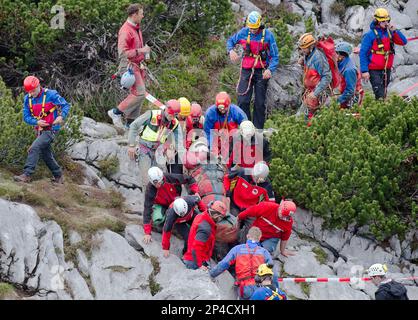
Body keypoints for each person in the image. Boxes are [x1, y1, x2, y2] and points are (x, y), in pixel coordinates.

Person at [14, 76, 71, 184]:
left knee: (34, 148)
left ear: (38, 85)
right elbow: (26, 117)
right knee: (46, 154)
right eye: (29, 91)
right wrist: (36, 122)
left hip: (52, 129)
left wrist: (61, 116)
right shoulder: (27, 99)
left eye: (33, 90)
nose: (32, 93)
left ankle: (27, 175)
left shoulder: (51, 94)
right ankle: (59, 176)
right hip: (40, 130)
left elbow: (65, 105)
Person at [227, 11, 279, 129]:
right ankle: (245, 126)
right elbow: (230, 41)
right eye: (251, 28)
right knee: (242, 100)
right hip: (247, 70)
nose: (253, 30)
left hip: (261, 71)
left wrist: (270, 70)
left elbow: (275, 56)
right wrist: (231, 50)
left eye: (255, 28)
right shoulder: (244, 32)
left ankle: (258, 130)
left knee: (259, 103)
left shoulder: (268, 36)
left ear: (260, 24)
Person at [108, 3, 151, 129]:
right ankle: (115, 112)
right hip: (128, 66)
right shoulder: (126, 30)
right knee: (140, 93)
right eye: (141, 13)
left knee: (139, 95)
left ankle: (130, 124)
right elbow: (122, 53)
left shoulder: (136, 28)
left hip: (137, 65)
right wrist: (141, 51)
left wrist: (143, 55)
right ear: (134, 14)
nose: (143, 16)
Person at [127, 99, 181, 190]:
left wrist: (171, 148)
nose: (172, 117)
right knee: (147, 180)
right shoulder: (152, 115)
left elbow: (176, 138)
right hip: (144, 150)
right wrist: (131, 145)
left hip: (158, 152)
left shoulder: (174, 123)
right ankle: (147, 202)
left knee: (160, 179)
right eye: (171, 115)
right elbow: (134, 125)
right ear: (166, 110)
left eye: (175, 115)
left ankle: (158, 201)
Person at [209, 227, 273, 299]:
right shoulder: (264, 252)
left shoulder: (237, 249)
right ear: (259, 237)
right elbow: (271, 271)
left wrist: (211, 274)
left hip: (244, 287)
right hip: (259, 287)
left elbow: (224, 264)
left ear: (247, 236)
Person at [359, 8, 407, 100]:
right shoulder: (369, 35)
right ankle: (379, 110)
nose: (386, 23)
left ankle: (380, 109)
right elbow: (363, 53)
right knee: (379, 92)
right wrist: (364, 71)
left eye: (387, 20)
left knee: (384, 91)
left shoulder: (390, 32)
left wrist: (395, 31)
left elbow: (403, 42)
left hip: (386, 68)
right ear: (377, 21)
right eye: (383, 21)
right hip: (374, 69)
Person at [142, 167, 199, 244]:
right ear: (152, 182)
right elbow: (147, 210)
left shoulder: (170, 178)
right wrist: (147, 233)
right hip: (163, 206)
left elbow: (189, 179)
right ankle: (167, 222)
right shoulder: (150, 191)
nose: (159, 184)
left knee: (192, 216)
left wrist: (195, 192)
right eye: (156, 183)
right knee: (157, 218)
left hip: (177, 201)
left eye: (161, 182)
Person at [182, 200, 227, 270]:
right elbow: (196, 248)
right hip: (194, 262)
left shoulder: (201, 216)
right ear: (216, 215)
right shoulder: (205, 229)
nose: (220, 219)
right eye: (221, 217)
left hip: (191, 256)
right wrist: (200, 265)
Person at [297, 33, 332, 119]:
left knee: (304, 117)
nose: (302, 50)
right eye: (301, 48)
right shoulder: (307, 55)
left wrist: (315, 93)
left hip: (318, 93)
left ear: (310, 46)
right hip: (310, 93)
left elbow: (327, 77)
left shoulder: (318, 58)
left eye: (304, 48)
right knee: (304, 116)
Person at [204, 91, 247, 159]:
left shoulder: (236, 111)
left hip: (231, 143)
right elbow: (208, 133)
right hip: (216, 143)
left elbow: (246, 126)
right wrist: (212, 149)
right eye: (220, 109)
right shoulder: (210, 113)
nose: (222, 111)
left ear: (229, 105)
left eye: (224, 108)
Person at [335, 42, 364, 108]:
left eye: (336, 53)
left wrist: (338, 100)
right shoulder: (344, 63)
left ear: (341, 56)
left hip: (352, 97)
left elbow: (350, 90)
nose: (335, 55)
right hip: (348, 95)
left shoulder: (349, 70)